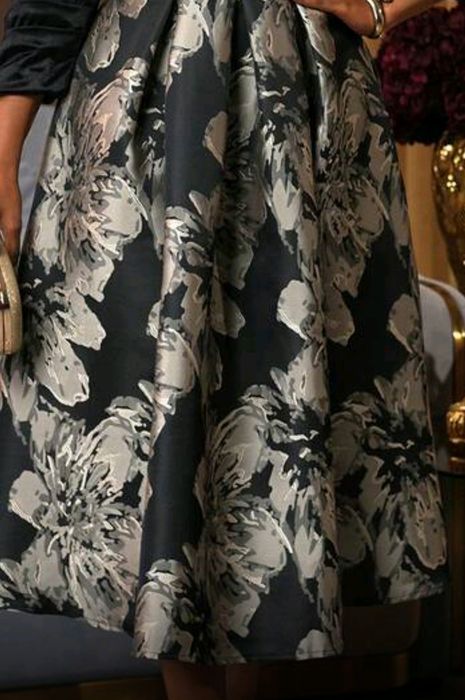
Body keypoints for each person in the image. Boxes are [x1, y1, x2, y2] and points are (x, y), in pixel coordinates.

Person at [0, 1, 450, 699]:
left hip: (299, 125)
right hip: (150, 126)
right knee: (168, 427)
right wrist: (2, 157)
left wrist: (373, 8)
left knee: (280, 435)